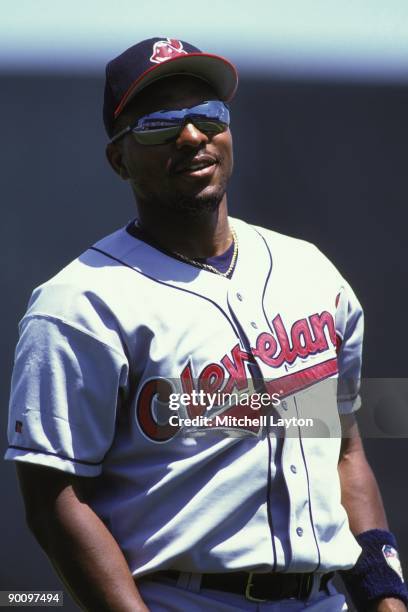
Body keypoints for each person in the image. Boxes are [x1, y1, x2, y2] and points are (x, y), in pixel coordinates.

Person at [5, 36, 408, 612]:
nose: (190, 136)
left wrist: (384, 593)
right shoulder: (78, 305)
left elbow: (342, 449)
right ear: (119, 158)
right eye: (158, 124)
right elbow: (55, 501)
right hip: (184, 598)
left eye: (206, 115)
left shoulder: (310, 271)